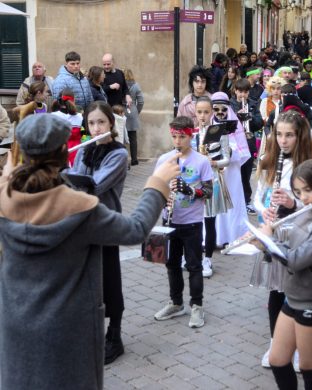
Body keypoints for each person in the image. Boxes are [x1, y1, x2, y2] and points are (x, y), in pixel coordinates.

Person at [0, 113, 179, 390]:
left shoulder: (5, 200)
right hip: (69, 330)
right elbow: (135, 229)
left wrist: (10, 172)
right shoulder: (81, 208)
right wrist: (157, 182)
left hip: (17, 327)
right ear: (63, 151)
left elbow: (9, 183)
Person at [252, 159, 312, 390]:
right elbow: (288, 244)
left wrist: (269, 240)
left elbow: (296, 259)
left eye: (309, 190)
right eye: (299, 191)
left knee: (309, 368)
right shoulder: (305, 212)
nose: (304, 198)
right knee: (278, 361)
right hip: (293, 297)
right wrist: (265, 238)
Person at [251, 110, 312, 370]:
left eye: (289, 135)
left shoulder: (310, 165)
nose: (283, 140)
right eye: (279, 135)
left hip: (299, 234)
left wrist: (292, 202)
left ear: (300, 136)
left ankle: (300, 347)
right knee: (276, 293)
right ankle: (276, 343)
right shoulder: (269, 160)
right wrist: (263, 209)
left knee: (298, 294)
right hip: (274, 232)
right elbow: (257, 195)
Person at [69, 101, 129, 364]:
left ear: (111, 124)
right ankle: (88, 333)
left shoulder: (119, 154)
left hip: (106, 223)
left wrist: (68, 179)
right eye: (91, 123)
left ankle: (114, 337)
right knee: (85, 281)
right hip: (83, 224)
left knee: (109, 280)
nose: (95, 128)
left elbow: (95, 184)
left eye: (101, 122)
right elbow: (73, 179)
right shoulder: (84, 151)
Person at [153, 116, 213, 327]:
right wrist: (163, 198)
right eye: (175, 137)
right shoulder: (164, 160)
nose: (178, 142)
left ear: (191, 136)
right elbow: (155, 187)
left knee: (194, 265)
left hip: (192, 222)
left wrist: (191, 190)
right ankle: (176, 303)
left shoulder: (201, 161)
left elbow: (208, 191)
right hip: (170, 221)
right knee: (171, 264)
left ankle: (197, 306)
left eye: (182, 137)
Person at [193, 97, 232, 277]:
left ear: (212, 112)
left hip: (212, 180)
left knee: (209, 221)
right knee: (192, 221)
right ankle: (192, 256)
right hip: (193, 180)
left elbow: (227, 159)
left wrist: (214, 162)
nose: (203, 116)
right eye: (199, 112)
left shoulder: (219, 132)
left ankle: (207, 259)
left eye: (206, 112)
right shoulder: (191, 132)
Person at [211, 92, 251, 247]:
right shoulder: (208, 124)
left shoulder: (235, 125)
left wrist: (230, 152)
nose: (220, 113)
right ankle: (215, 238)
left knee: (232, 204)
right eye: (216, 109)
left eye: (224, 109)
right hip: (214, 173)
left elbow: (243, 152)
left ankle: (232, 235)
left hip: (231, 173)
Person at [230, 78, 263, 214]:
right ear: (235, 91)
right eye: (240, 91)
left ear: (248, 92)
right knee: (234, 173)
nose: (242, 95)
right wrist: (237, 117)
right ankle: (234, 200)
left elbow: (259, 123)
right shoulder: (230, 105)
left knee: (246, 174)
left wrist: (250, 117)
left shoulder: (254, 104)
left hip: (248, 143)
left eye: (245, 92)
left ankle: (246, 200)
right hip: (234, 144)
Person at [51, 88, 84, 166]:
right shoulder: (80, 117)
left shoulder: (52, 117)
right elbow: (84, 135)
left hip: (58, 154)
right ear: (73, 100)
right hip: (77, 155)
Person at [123, 68, 144, 166]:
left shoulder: (121, 85)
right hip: (133, 111)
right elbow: (141, 101)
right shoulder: (136, 86)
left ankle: (123, 159)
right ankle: (134, 159)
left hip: (121, 111)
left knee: (122, 136)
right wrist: (137, 111)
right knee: (133, 137)